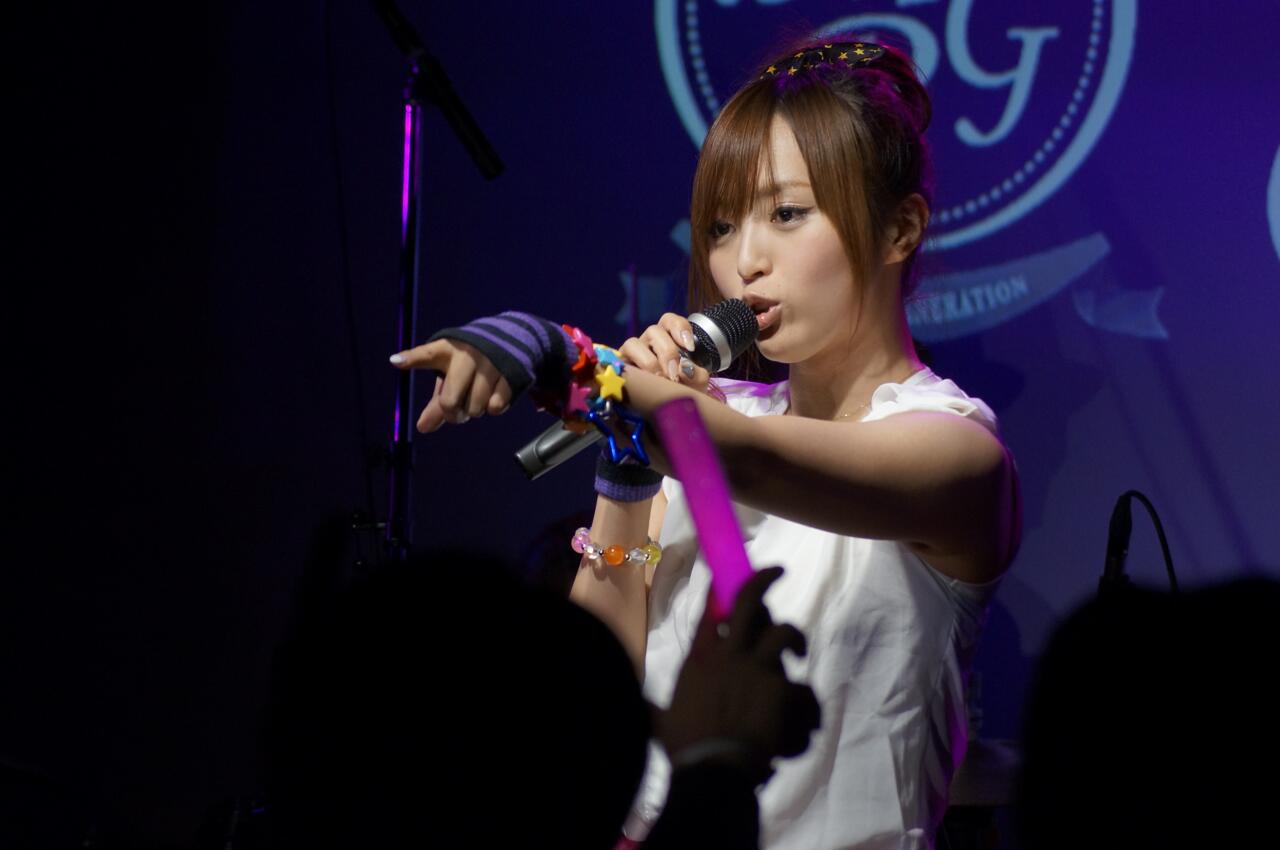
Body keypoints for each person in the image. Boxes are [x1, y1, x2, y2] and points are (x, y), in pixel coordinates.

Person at [391, 36, 1020, 849]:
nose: (744, 260)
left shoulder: (955, 453)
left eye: (787, 214)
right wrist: (626, 475)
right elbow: (590, 691)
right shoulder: (698, 418)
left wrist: (575, 362)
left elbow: (748, 459)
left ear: (900, 230)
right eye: (722, 226)